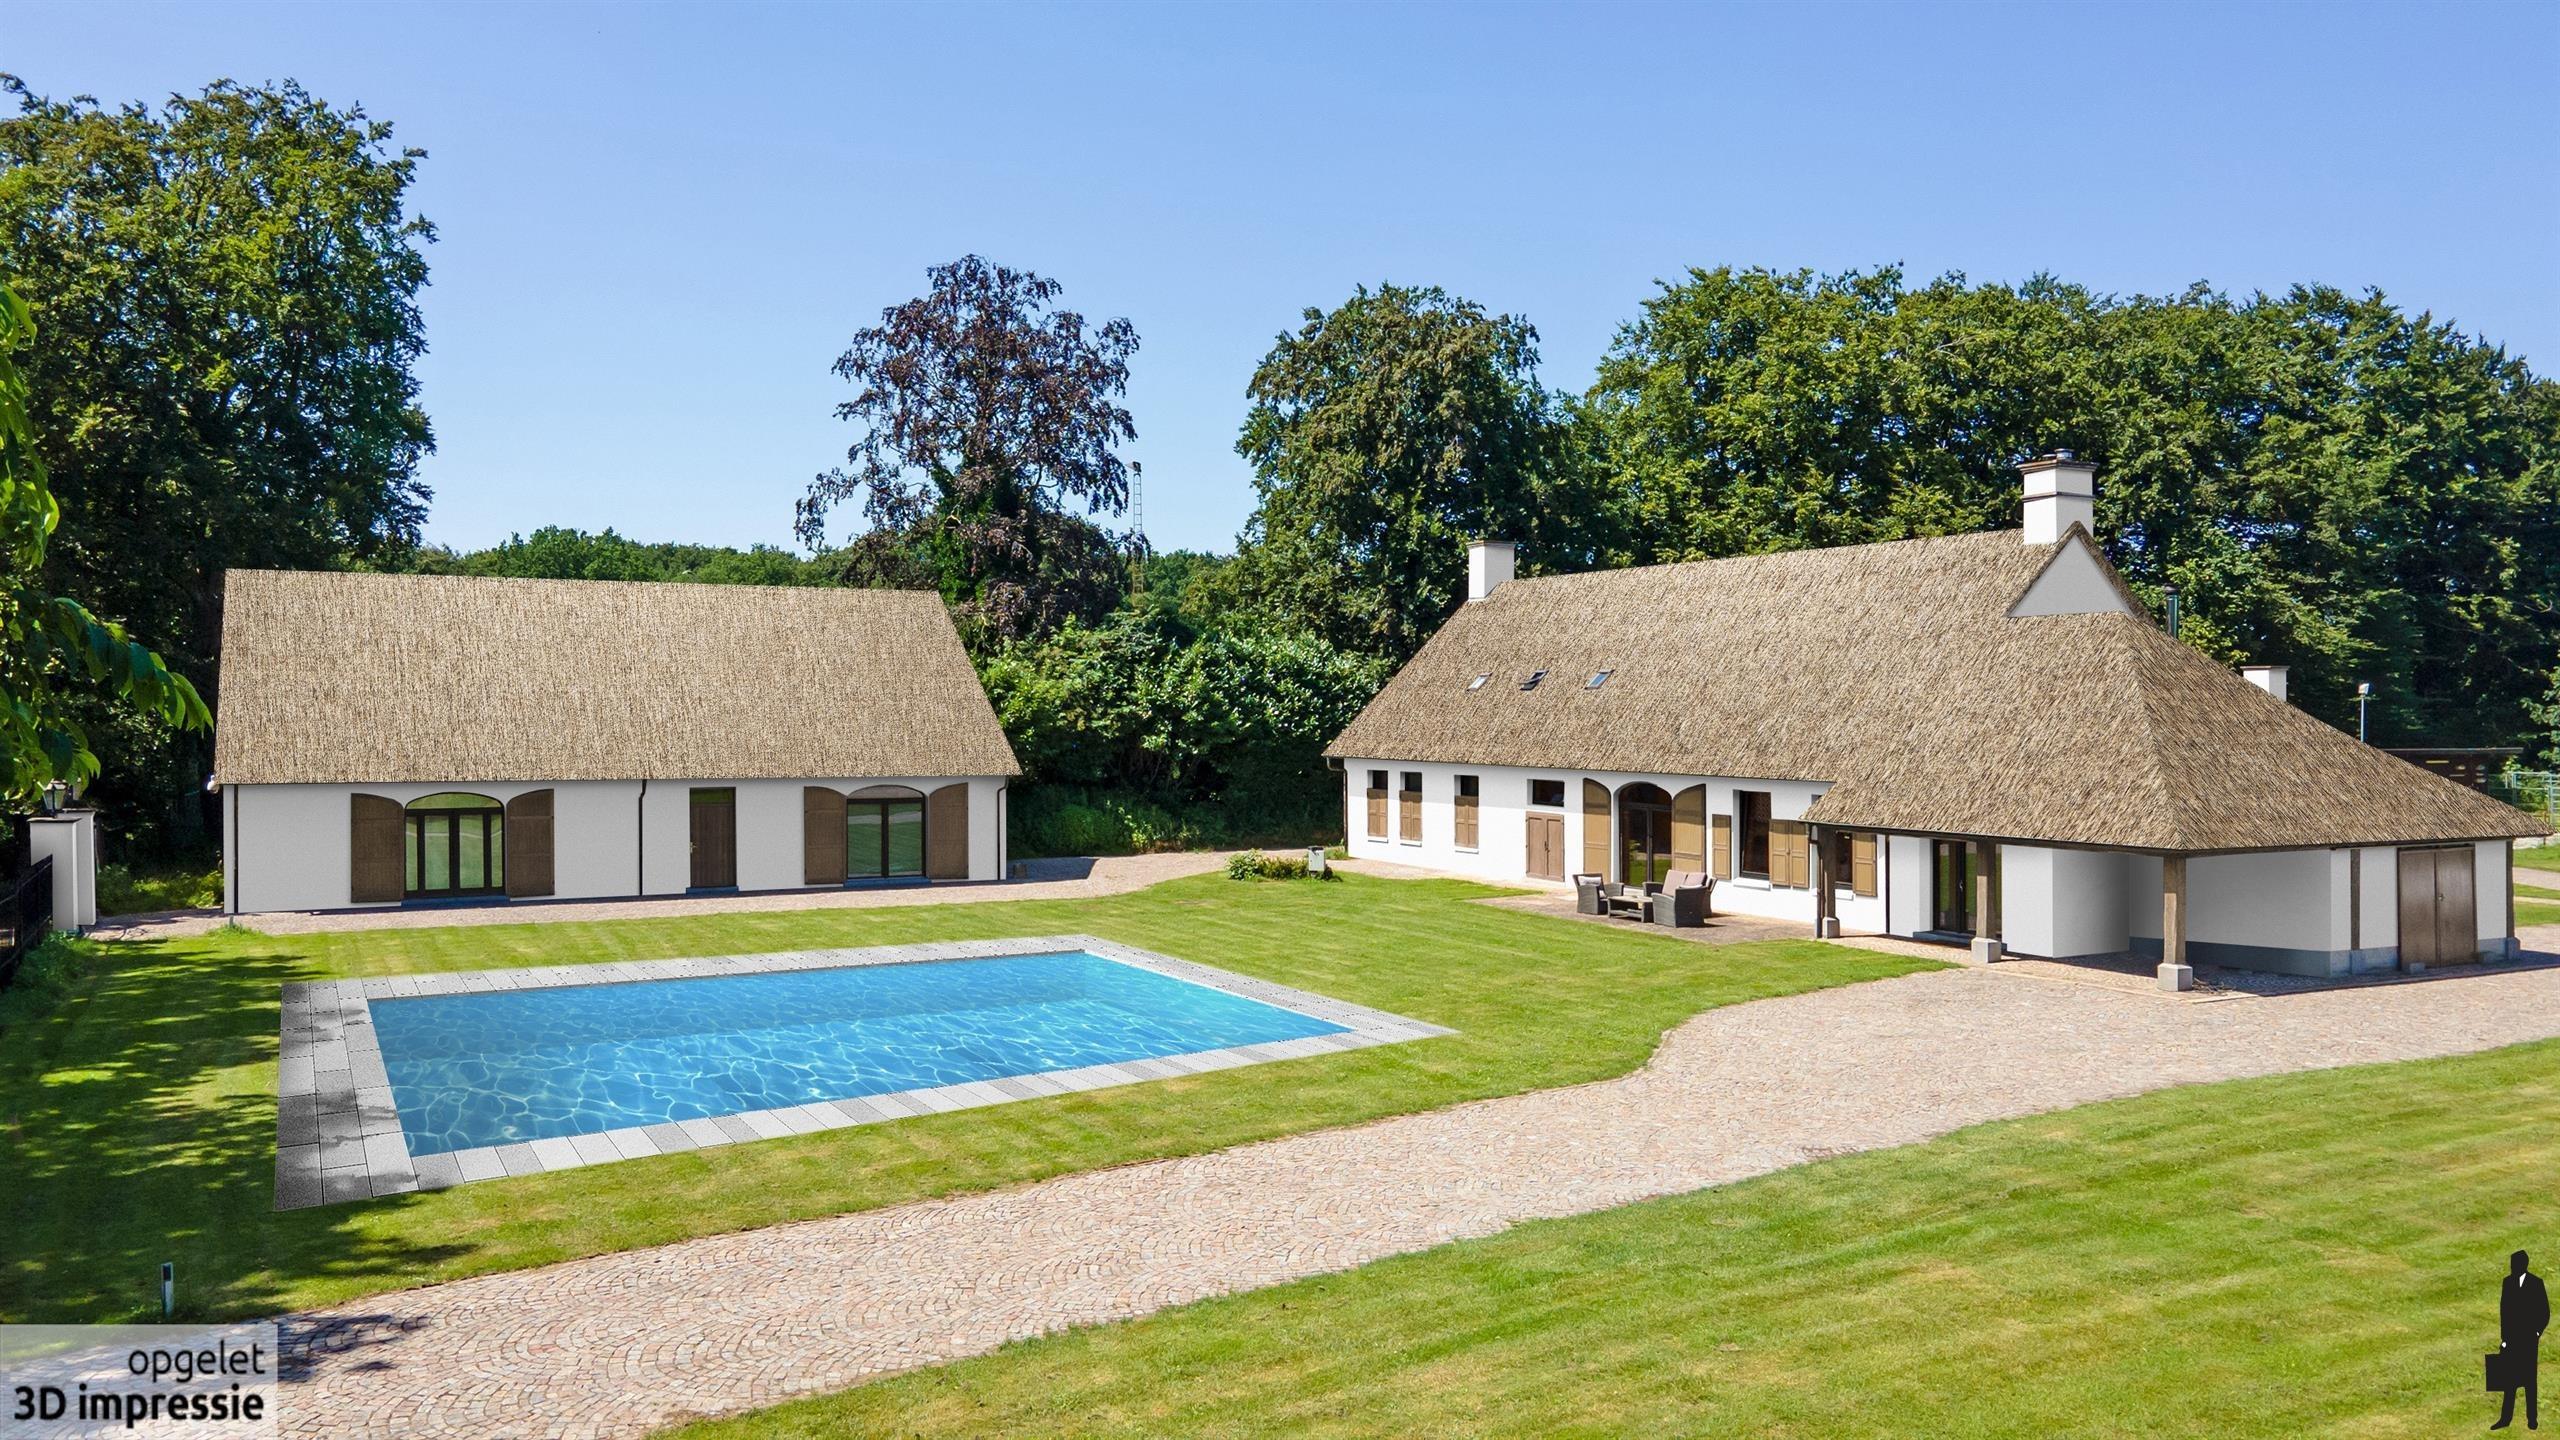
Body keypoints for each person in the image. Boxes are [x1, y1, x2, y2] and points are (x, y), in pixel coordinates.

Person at [2498, 1250, 2549, 1431]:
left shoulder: (2536, 1284)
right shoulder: (2507, 1283)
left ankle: (2532, 1419)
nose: (2512, 1267)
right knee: (2509, 1381)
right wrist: (2504, 1339)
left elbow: (2544, 1312)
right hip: (2512, 1340)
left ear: (2523, 1265)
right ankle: (2505, 1418)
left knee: (2529, 1381)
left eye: (2515, 1264)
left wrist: (2536, 1333)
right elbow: (2504, 1312)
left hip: (2528, 1341)